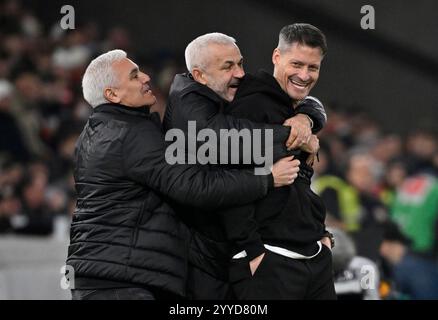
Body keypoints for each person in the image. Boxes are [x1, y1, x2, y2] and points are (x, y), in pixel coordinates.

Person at [66, 49, 300, 300]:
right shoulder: (132, 134)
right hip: (121, 280)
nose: (146, 77)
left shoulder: (95, 132)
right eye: (134, 76)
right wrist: (267, 178)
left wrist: (308, 117)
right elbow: (196, 186)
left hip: (102, 272)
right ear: (112, 94)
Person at [163, 32, 327, 299]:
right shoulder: (190, 106)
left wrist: (307, 119)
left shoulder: (235, 97)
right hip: (204, 257)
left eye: (240, 63)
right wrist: (277, 163)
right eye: (228, 67)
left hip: (226, 253)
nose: (240, 73)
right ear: (200, 76)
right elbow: (224, 152)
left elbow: (307, 106)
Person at [224, 23, 336, 299]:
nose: (304, 75)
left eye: (313, 67)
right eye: (296, 64)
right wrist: (253, 252)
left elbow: (299, 181)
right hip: (271, 260)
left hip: (312, 254)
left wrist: (321, 235)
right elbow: (226, 182)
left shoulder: (296, 106)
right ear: (276, 57)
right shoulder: (251, 105)